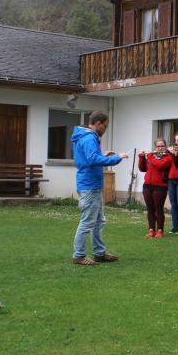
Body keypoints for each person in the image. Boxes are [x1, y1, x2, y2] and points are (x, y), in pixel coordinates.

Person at [70, 110, 128, 266]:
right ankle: (79, 255)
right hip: (89, 187)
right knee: (87, 222)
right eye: (105, 126)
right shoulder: (89, 137)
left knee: (98, 222)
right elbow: (93, 159)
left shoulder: (86, 136)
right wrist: (117, 158)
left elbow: (91, 157)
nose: (106, 129)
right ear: (97, 123)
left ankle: (99, 253)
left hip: (93, 185)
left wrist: (104, 155)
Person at [138, 139, 173, 238]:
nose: (160, 148)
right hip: (147, 185)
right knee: (150, 209)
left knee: (158, 209)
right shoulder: (152, 156)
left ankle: (160, 230)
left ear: (165, 146)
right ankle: (151, 230)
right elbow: (142, 168)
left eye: (162, 146)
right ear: (155, 147)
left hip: (160, 186)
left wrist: (149, 156)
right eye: (158, 146)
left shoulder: (168, 157)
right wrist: (141, 158)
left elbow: (159, 165)